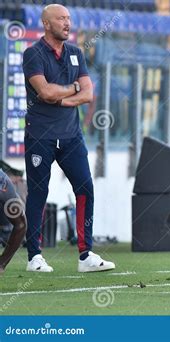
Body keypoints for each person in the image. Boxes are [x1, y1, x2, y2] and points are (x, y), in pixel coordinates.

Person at [22, 4, 115, 273]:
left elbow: (87, 94)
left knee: (85, 188)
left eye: (69, 18)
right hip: (41, 135)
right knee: (39, 192)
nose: (67, 23)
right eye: (61, 19)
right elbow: (45, 92)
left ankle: (86, 255)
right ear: (47, 24)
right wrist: (71, 89)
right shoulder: (33, 54)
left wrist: (64, 98)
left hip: (71, 135)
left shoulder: (75, 53)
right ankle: (34, 257)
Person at [0, 170, 27, 275]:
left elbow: (21, 225)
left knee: (20, 222)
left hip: (4, 188)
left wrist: (2, 263)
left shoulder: (4, 185)